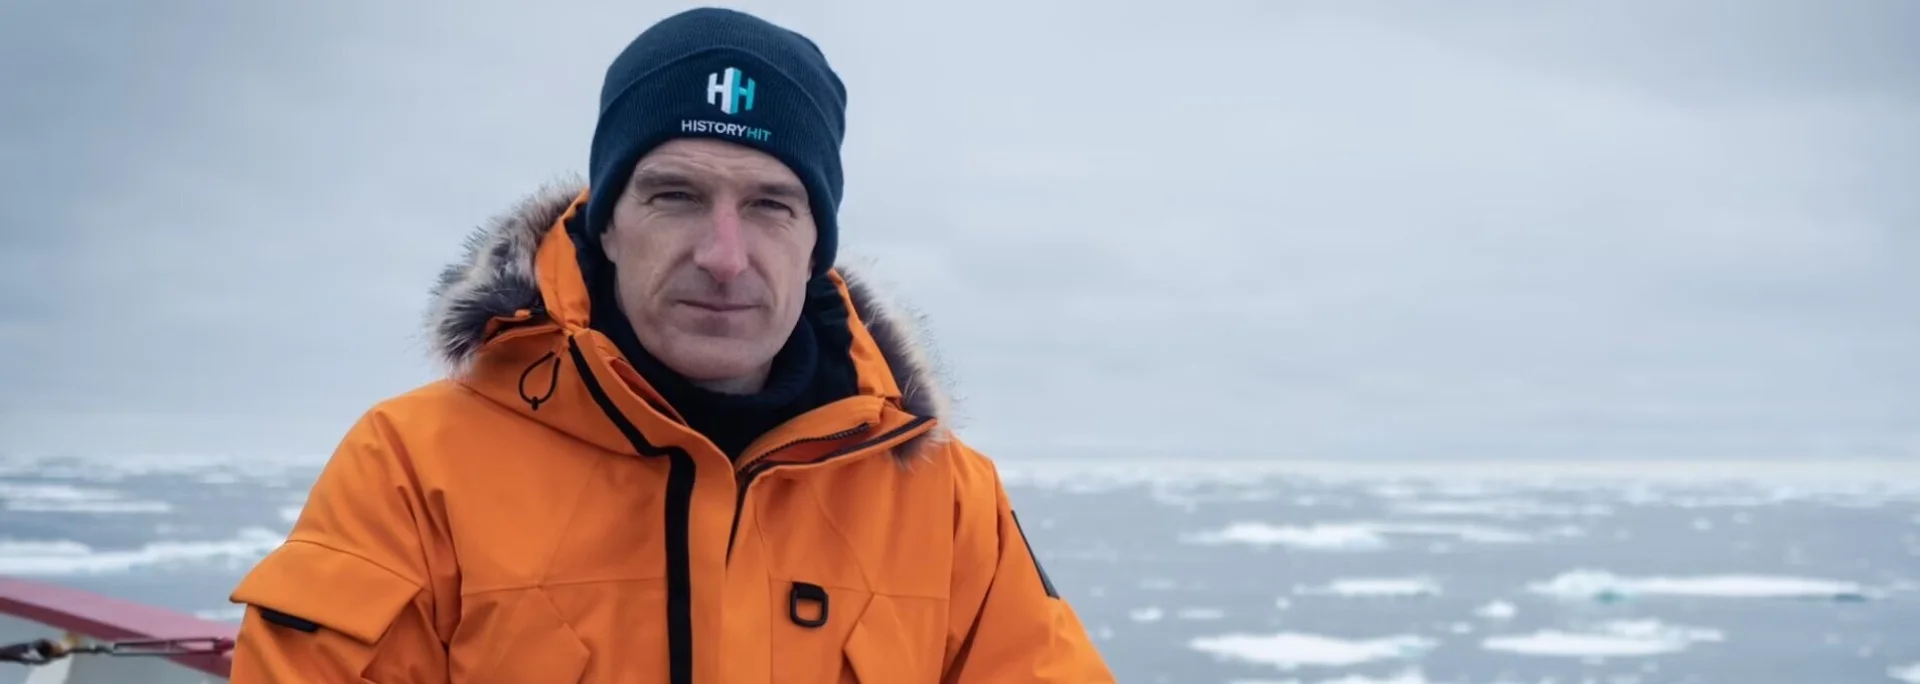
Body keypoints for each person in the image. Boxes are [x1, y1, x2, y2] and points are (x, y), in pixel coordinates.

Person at [224, 6, 1115, 683]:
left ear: (817, 246)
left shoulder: (944, 501)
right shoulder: (413, 469)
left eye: (771, 205)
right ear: (604, 225)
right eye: (675, 196)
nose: (724, 258)